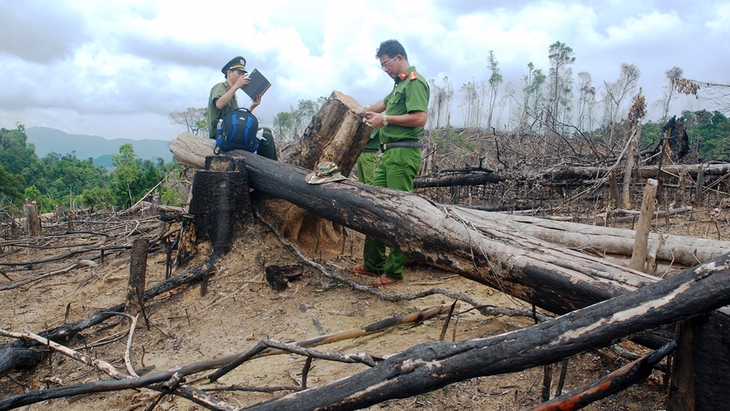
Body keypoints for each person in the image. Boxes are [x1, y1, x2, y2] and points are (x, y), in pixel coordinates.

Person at [351, 39, 430, 287]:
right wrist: (361, 111)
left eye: (387, 64)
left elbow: (420, 118)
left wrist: (384, 120)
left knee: (398, 213)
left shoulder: (415, 82)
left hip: (403, 154)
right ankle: (373, 264)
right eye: (382, 66)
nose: (386, 70)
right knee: (373, 207)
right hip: (388, 156)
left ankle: (394, 271)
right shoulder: (399, 85)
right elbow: (381, 105)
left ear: (399, 57)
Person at [207, 56, 277, 160]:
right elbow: (219, 104)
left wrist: (252, 107)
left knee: (266, 131)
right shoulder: (220, 87)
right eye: (238, 73)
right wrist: (236, 86)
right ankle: (273, 168)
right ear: (229, 73)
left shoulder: (233, 94)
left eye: (243, 74)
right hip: (222, 134)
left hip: (232, 131)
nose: (241, 77)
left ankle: (266, 164)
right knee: (266, 137)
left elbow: (235, 120)